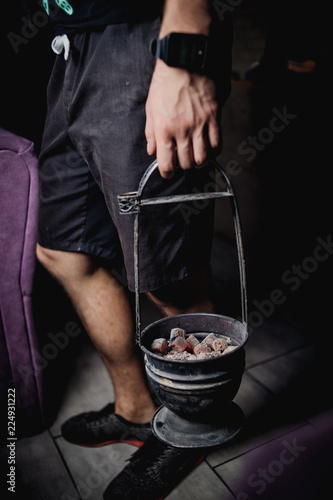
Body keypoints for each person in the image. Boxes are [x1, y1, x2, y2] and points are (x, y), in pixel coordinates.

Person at [30, 0, 232, 497]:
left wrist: (182, 53)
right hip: (71, 49)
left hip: (142, 37)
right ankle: (137, 410)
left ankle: (190, 430)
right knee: (63, 252)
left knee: (170, 277)